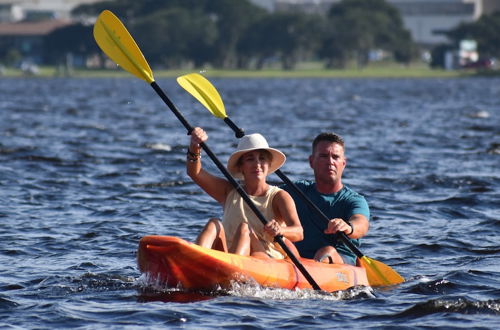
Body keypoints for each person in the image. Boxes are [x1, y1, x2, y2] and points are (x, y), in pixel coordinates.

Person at [186, 127, 303, 259]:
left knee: (244, 230)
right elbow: (195, 173)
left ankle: (233, 273)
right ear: (241, 167)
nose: (257, 164)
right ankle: (195, 260)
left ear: (269, 164)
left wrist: (280, 230)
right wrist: (195, 147)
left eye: (262, 158)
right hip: (229, 256)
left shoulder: (279, 197)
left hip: (265, 258)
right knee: (214, 223)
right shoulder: (228, 191)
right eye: (250, 159)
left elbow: (299, 232)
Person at [282, 132, 370, 265]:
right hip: (298, 260)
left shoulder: (354, 200)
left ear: (343, 163)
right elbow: (264, 193)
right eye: (323, 156)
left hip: (339, 261)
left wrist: (348, 227)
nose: (330, 162)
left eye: (335, 157)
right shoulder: (296, 190)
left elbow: (361, 224)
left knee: (327, 251)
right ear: (311, 162)